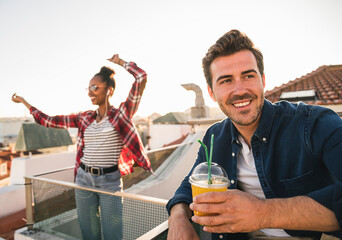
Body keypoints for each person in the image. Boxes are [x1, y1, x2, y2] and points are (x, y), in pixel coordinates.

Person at [166, 30, 342, 240]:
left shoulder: (315, 123)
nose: (240, 90)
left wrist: (262, 213)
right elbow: (192, 181)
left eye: (248, 76)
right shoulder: (215, 136)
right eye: (226, 81)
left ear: (263, 80)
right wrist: (177, 217)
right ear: (212, 92)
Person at [12, 54, 152, 240]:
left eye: (95, 87)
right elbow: (49, 121)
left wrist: (120, 63)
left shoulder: (121, 114)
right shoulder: (84, 117)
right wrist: (24, 102)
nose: (90, 92)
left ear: (109, 90)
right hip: (83, 179)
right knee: (89, 235)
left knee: (113, 235)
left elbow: (141, 77)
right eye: (89, 88)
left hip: (109, 182)